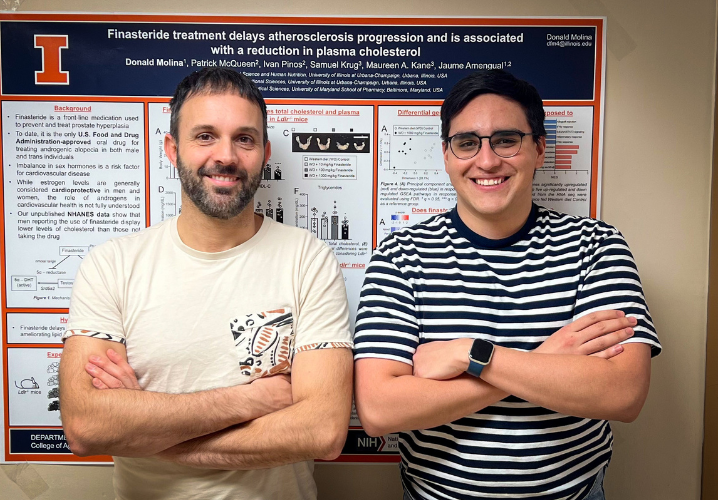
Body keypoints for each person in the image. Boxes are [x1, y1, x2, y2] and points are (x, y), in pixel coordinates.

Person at [353, 69, 660, 500]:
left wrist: (473, 355)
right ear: (446, 155)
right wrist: (544, 361)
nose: (487, 160)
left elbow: (623, 393)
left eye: (506, 140)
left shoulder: (596, 246)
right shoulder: (401, 256)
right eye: (467, 143)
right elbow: (379, 410)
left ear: (538, 148)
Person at [59, 68, 353, 500]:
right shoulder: (112, 265)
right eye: (205, 136)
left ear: (265, 151)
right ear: (172, 149)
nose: (226, 156)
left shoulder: (307, 259)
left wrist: (149, 434)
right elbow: (87, 426)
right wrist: (249, 401)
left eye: (244, 139)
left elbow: (322, 430)